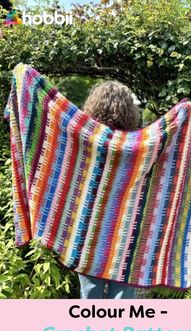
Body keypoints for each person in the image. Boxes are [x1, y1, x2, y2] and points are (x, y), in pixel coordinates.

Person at [78, 80, 141, 299]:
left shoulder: (86, 143)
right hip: (127, 230)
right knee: (124, 297)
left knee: (90, 294)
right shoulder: (139, 146)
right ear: (128, 110)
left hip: (89, 231)